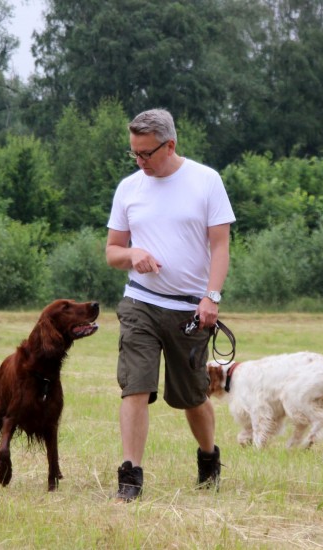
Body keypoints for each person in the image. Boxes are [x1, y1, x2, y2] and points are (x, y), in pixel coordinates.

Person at [105, 108, 235, 502]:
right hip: (140, 302)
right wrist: (133, 254)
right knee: (135, 386)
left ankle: (209, 457)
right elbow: (112, 251)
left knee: (192, 397)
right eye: (134, 153)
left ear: (170, 145)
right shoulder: (129, 188)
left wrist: (211, 297)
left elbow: (220, 246)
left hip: (190, 311)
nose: (139, 161)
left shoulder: (206, 181)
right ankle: (130, 477)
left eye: (146, 153)